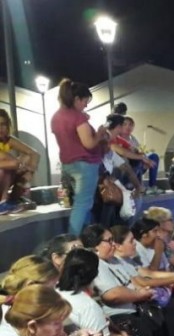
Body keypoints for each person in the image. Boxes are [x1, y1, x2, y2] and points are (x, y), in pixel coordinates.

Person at [52, 79, 109, 235]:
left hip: (68, 164)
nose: (86, 105)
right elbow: (89, 143)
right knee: (82, 204)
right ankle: (73, 241)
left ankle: (86, 237)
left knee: (82, 203)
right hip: (85, 164)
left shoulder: (57, 117)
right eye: (85, 101)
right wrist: (99, 133)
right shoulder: (77, 117)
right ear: (76, 99)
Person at [0, 109, 40, 214]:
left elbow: (34, 153)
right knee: (5, 169)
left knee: (26, 160)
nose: (0, 128)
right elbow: (13, 163)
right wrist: (19, 165)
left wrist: (30, 171)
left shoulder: (8, 140)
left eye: (3, 124)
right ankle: (3, 203)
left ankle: (13, 200)